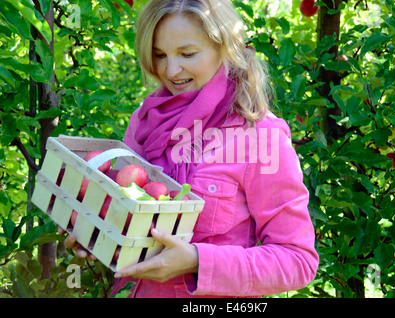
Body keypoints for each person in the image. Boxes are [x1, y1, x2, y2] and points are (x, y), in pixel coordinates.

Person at [65, 0, 319, 298]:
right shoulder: (145, 121)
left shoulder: (260, 136)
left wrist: (198, 261)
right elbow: (125, 216)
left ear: (225, 48)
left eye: (187, 53)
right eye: (160, 55)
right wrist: (96, 233)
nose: (171, 70)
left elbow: (298, 261)